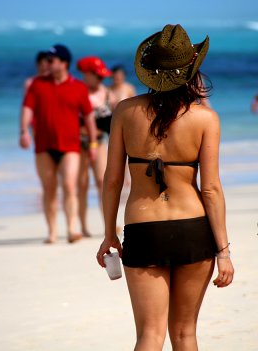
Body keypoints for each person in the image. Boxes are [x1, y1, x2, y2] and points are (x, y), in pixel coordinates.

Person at [96, 24, 234, 351]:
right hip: (194, 228)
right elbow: (211, 188)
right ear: (190, 69)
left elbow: (112, 179)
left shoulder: (126, 111)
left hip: (144, 229)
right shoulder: (205, 119)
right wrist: (224, 251)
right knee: (185, 335)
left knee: (149, 335)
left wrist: (109, 233)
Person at [20, 44, 98, 244]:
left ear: (64, 63)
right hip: (44, 147)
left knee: (69, 186)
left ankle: (72, 229)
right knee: (49, 189)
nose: (47, 63)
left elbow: (89, 118)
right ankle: (52, 232)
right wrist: (23, 132)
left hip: (70, 146)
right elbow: (27, 109)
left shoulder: (78, 87)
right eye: (47, 60)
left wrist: (94, 143)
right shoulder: (37, 84)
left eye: (52, 60)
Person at [77, 56, 114, 237]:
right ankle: (82, 226)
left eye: (102, 77)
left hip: (99, 143)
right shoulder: (78, 92)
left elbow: (115, 123)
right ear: (87, 74)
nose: (101, 80)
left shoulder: (108, 94)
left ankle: (108, 224)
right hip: (78, 143)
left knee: (103, 182)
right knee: (81, 185)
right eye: (97, 76)